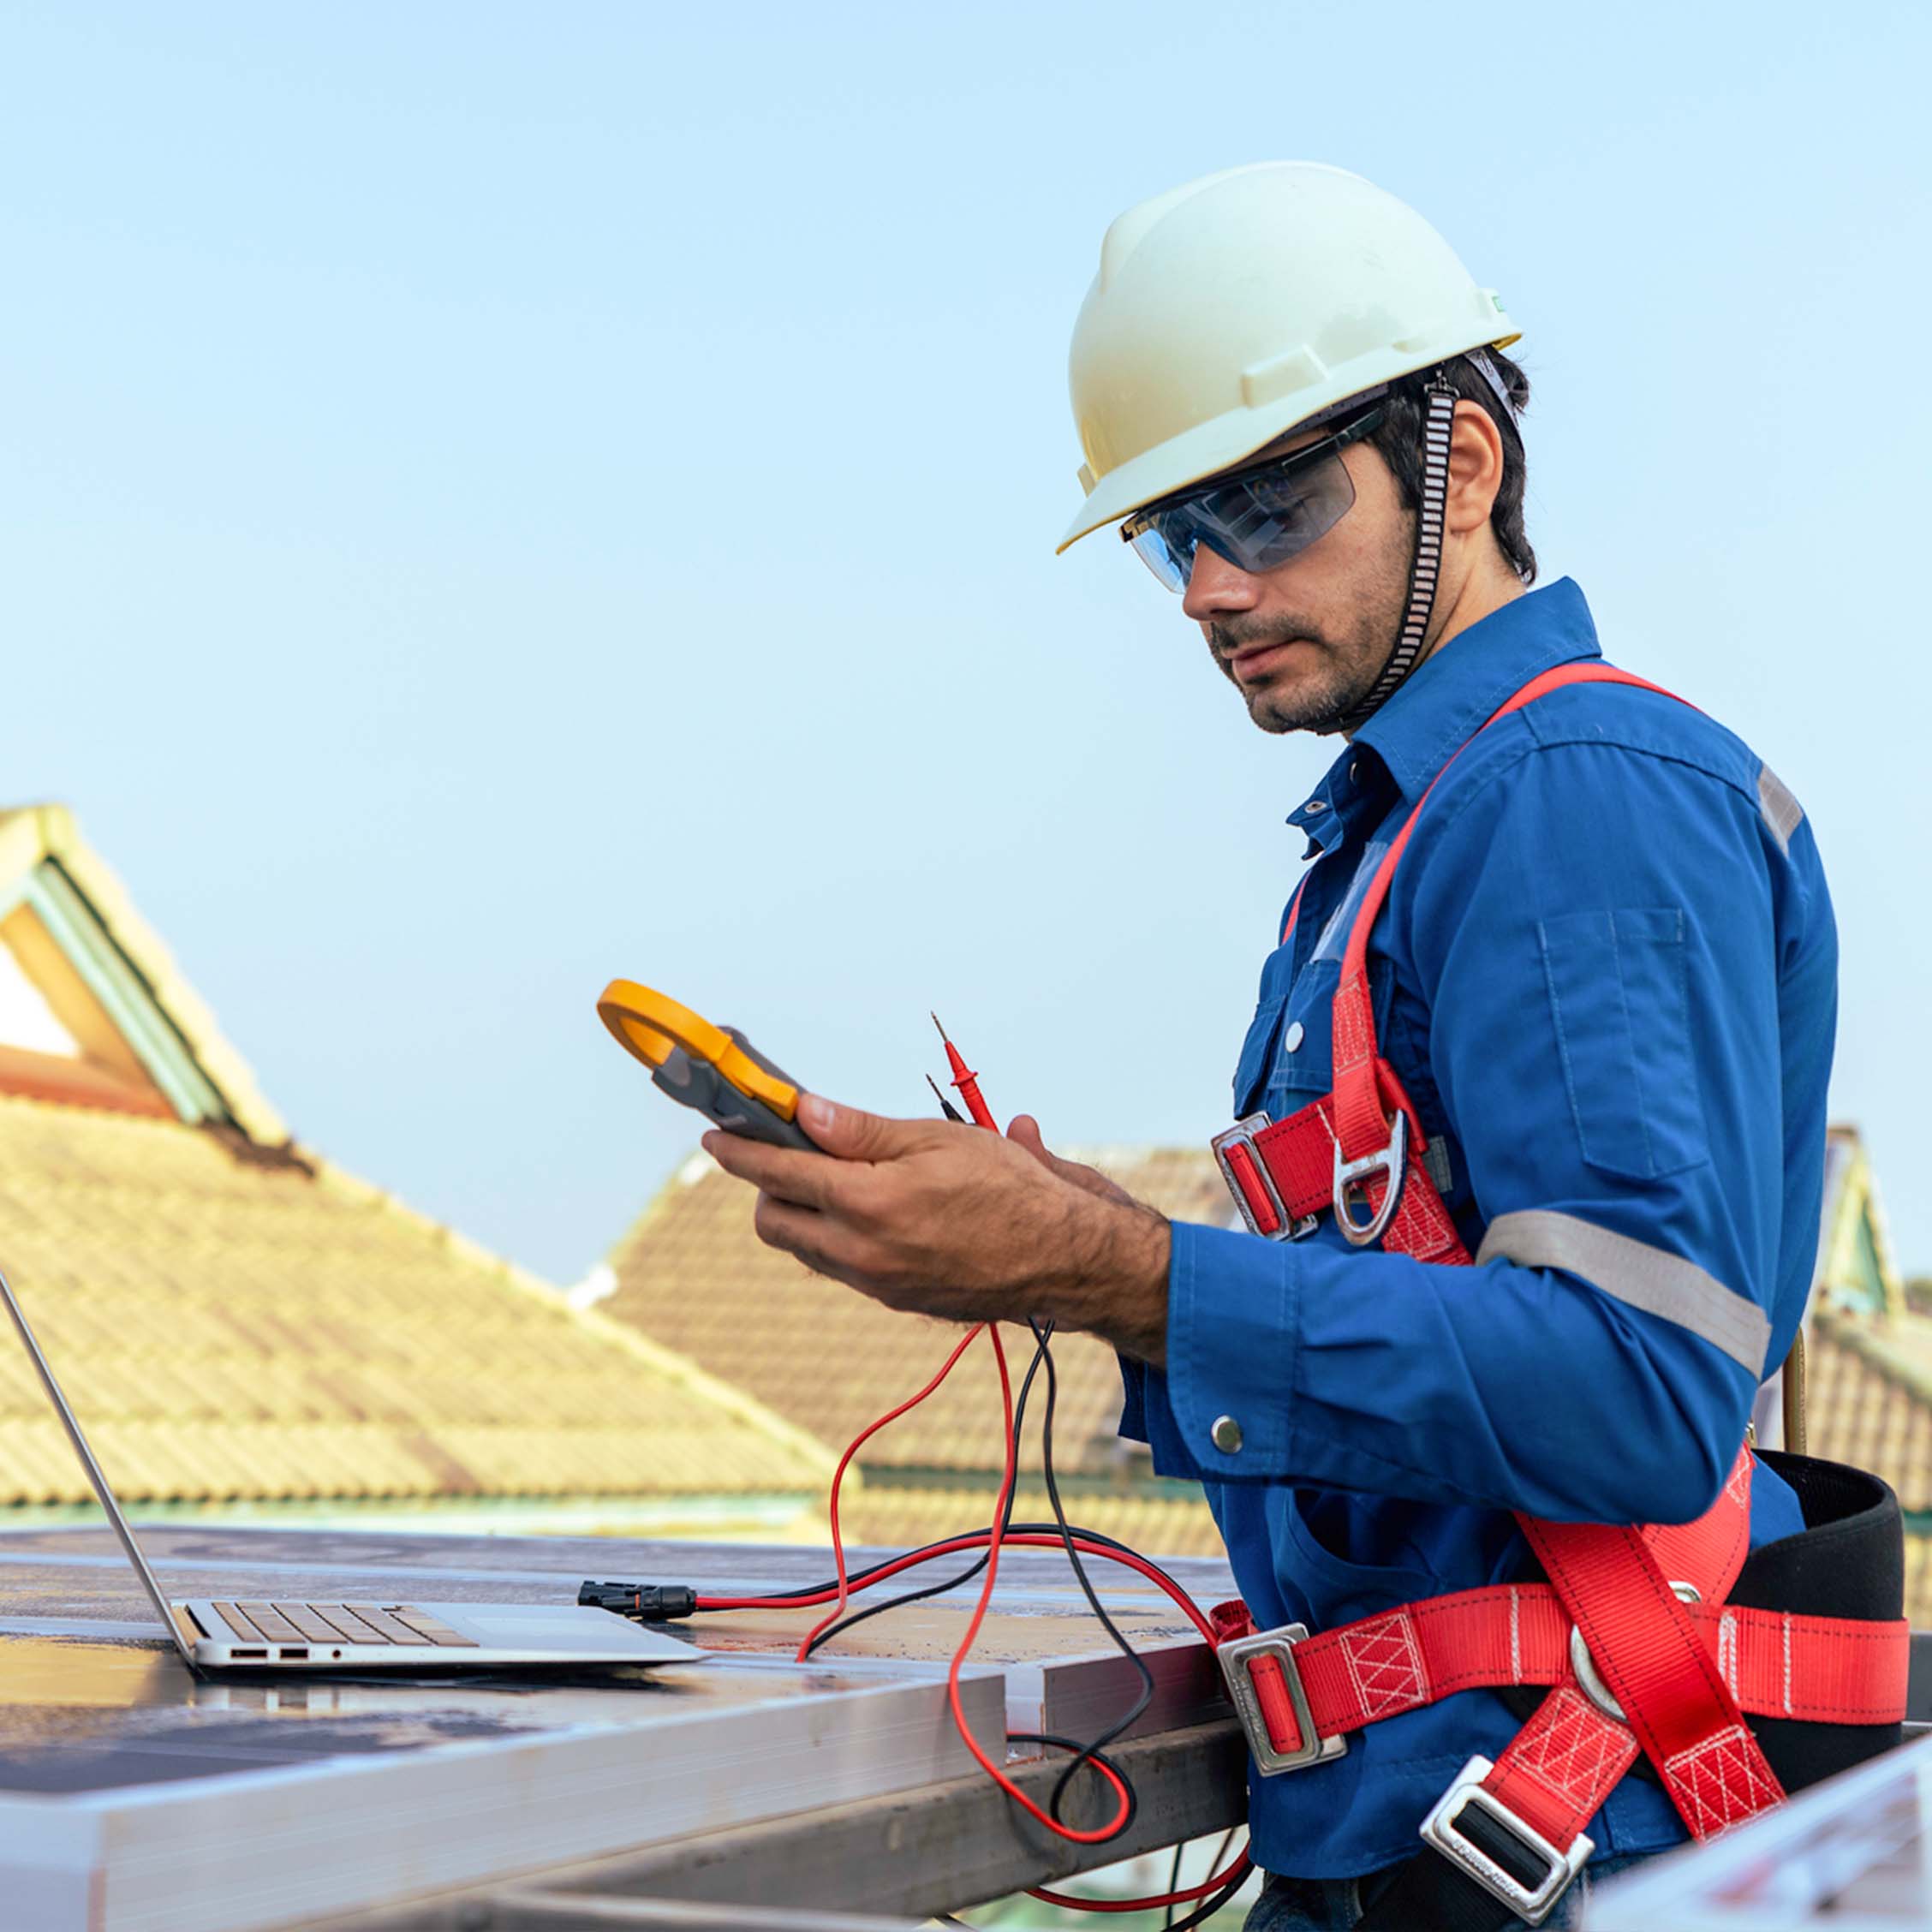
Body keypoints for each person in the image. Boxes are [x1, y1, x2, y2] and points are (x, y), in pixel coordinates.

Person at [700, 164, 1903, 1930]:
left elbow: (1642, 1391)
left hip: (1565, 1839)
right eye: (1173, 533)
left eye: (1265, 506)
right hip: (1425, 1844)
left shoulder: (1574, 801)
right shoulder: (1405, 836)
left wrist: (1123, 1272)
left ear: (1462, 469)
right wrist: (1090, 1254)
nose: (1205, 585)